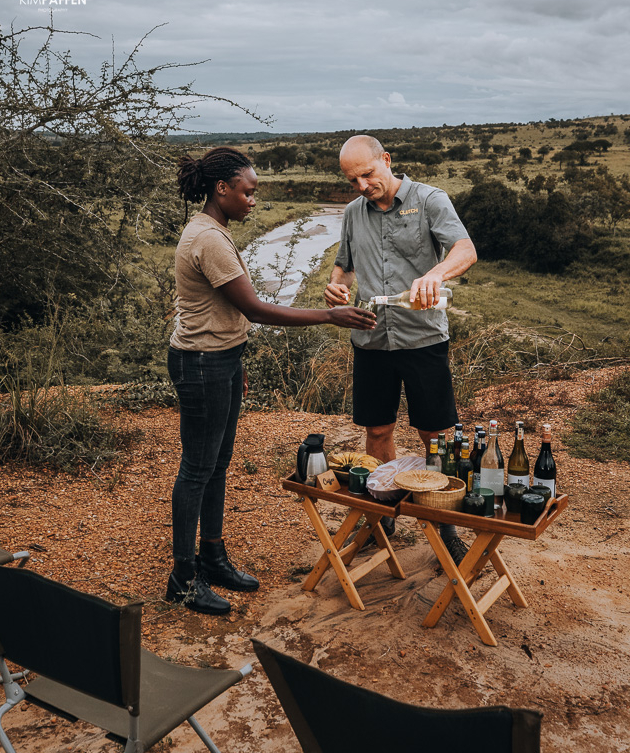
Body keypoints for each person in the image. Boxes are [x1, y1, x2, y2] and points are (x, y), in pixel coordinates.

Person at [167, 147, 376, 615]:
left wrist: (236, 362)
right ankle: (182, 578)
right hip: (201, 364)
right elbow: (256, 309)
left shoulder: (212, 229)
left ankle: (212, 557)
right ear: (222, 188)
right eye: (248, 191)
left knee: (217, 464)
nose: (253, 200)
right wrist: (329, 314)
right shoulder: (210, 239)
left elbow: (226, 316)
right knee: (197, 469)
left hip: (219, 359)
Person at [324, 135, 477, 565]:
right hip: (371, 339)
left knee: (434, 435)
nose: (360, 186)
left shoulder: (429, 200)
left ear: (386, 161)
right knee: (377, 431)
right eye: (352, 179)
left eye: (367, 174)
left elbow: (465, 250)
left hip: (422, 338)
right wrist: (338, 284)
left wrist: (436, 274)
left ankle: (445, 527)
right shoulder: (354, 212)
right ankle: (381, 519)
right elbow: (345, 264)